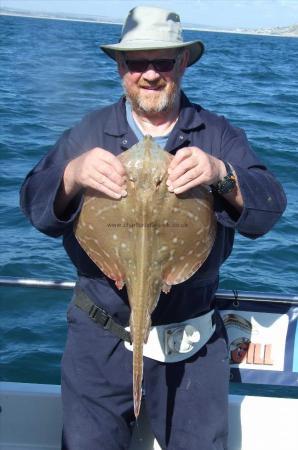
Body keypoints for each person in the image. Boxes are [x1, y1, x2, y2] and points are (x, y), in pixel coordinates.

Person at [20, 5, 287, 450]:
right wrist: (72, 175)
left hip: (191, 343)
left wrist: (221, 173)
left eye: (162, 62)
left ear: (182, 63)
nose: (149, 74)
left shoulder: (216, 134)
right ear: (120, 68)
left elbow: (269, 207)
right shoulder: (88, 133)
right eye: (136, 63)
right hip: (98, 340)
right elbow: (34, 203)